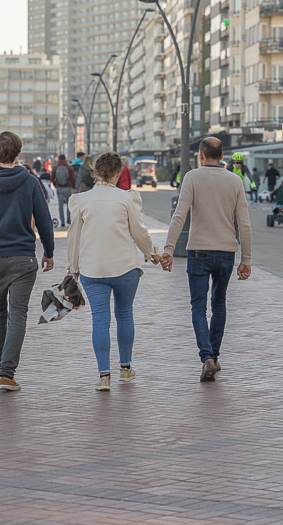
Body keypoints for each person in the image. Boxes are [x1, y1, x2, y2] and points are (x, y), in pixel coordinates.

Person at [160, 136, 251, 383]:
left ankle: (206, 358)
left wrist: (168, 249)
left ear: (201, 155)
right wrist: (247, 259)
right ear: (222, 156)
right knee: (219, 304)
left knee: (198, 307)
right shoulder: (235, 180)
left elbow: (180, 215)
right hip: (226, 253)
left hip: (198, 252)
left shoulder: (191, 177)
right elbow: (243, 223)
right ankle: (215, 356)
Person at [67, 150, 160, 391]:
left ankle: (103, 376)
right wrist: (151, 253)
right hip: (125, 267)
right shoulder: (127, 198)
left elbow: (73, 237)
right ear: (118, 173)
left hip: (92, 268)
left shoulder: (81, 200)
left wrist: (73, 265)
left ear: (96, 173)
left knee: (100, 319)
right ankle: (126, 369)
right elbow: (139, 232)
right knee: (125, 314)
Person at [0, 131, 54, 392]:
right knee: (18, 313)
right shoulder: (29, 182)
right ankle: (7, 371)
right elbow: (43, 220)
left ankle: (2, 363)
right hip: (23, 258)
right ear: (19, 154)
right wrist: (49, 252)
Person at [51, 154, 76, 227]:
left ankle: (62, 221)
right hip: (68, 187)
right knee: (69, 204)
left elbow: (52, 178)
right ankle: (68, 219)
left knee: (60, 205)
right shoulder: (69, 167)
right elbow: (73, 178)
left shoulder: (55, 168)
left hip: (59, 188)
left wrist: (56, 185)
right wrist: (73, 186)